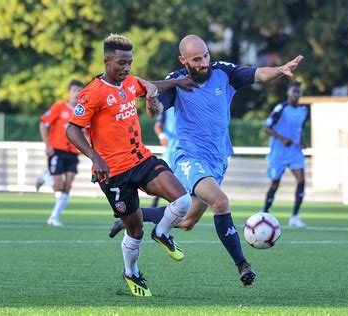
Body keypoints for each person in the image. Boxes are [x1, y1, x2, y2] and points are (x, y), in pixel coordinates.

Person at [110, 34, 303, 287]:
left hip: (217, 159)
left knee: (187, 221)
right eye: (197, 59)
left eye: (206, 56)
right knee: (220, 201)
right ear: (184, 60)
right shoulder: (176, 81)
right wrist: (151, 100)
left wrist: (279, 69)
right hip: (189, 157)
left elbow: (258, 74)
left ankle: (133, 216)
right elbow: (156, 110)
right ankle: (242, 265)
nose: (204, 63)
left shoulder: (224, 72)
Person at [66, 34, 195, 297]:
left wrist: (177, 82)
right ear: (107, 60)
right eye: (122, 63)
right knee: (135, 229)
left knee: (183, 200)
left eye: (130, 62)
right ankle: (131, 273)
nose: (126, 68)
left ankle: (162, 232)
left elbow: (150, 85)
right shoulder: (93, 93)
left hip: (141, 160)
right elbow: (72, 130)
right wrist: (94, 156)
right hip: (113, 174)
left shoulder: (129, 82)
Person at [261, 82, 309, 228]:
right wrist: (282, 139)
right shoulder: (281, 108)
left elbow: (299, 128)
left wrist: (302, 142)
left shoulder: (304, 110)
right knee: (275, 183)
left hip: (294, 151)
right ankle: (264, 213)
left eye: (298, 92)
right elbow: (267, 128)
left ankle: (294, 216)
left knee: (301, 180)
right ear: (288, 93)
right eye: (293, 92)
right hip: (279, 151)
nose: (296, 94)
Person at [40, 79, 84, 226]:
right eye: (74, 90)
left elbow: (86, 132)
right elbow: (43, 123)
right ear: (69, 92)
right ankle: (46, 176)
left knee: (68, 186)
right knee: (58, 186)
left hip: (73, 152)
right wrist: (47, 145)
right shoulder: (59, 107)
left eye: (79, 91)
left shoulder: (82, 111)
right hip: (57, 150)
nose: (77, 93)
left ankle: (54, 217)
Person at [150, 107, 178, 208]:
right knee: (163, 178)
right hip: (170, 151)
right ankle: (155, 203)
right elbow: (158, 126)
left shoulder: (188, 106)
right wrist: (162, 136)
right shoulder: (168, 108)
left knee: (179, 181)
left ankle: (176, 206)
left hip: (184, 151)